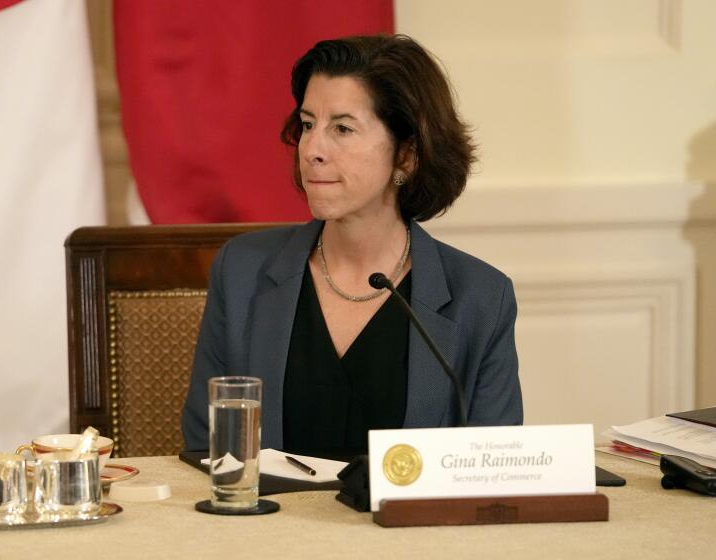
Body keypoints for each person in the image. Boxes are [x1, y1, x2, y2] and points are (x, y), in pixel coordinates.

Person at [182, 34, 522, 455]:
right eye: (308, 125)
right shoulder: (241, 271)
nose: (312, 150)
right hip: (269, 521)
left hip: (411, 525)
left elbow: (493, 474)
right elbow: (205, 447)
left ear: (407, 155)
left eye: (342, 128)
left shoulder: (481, 299)